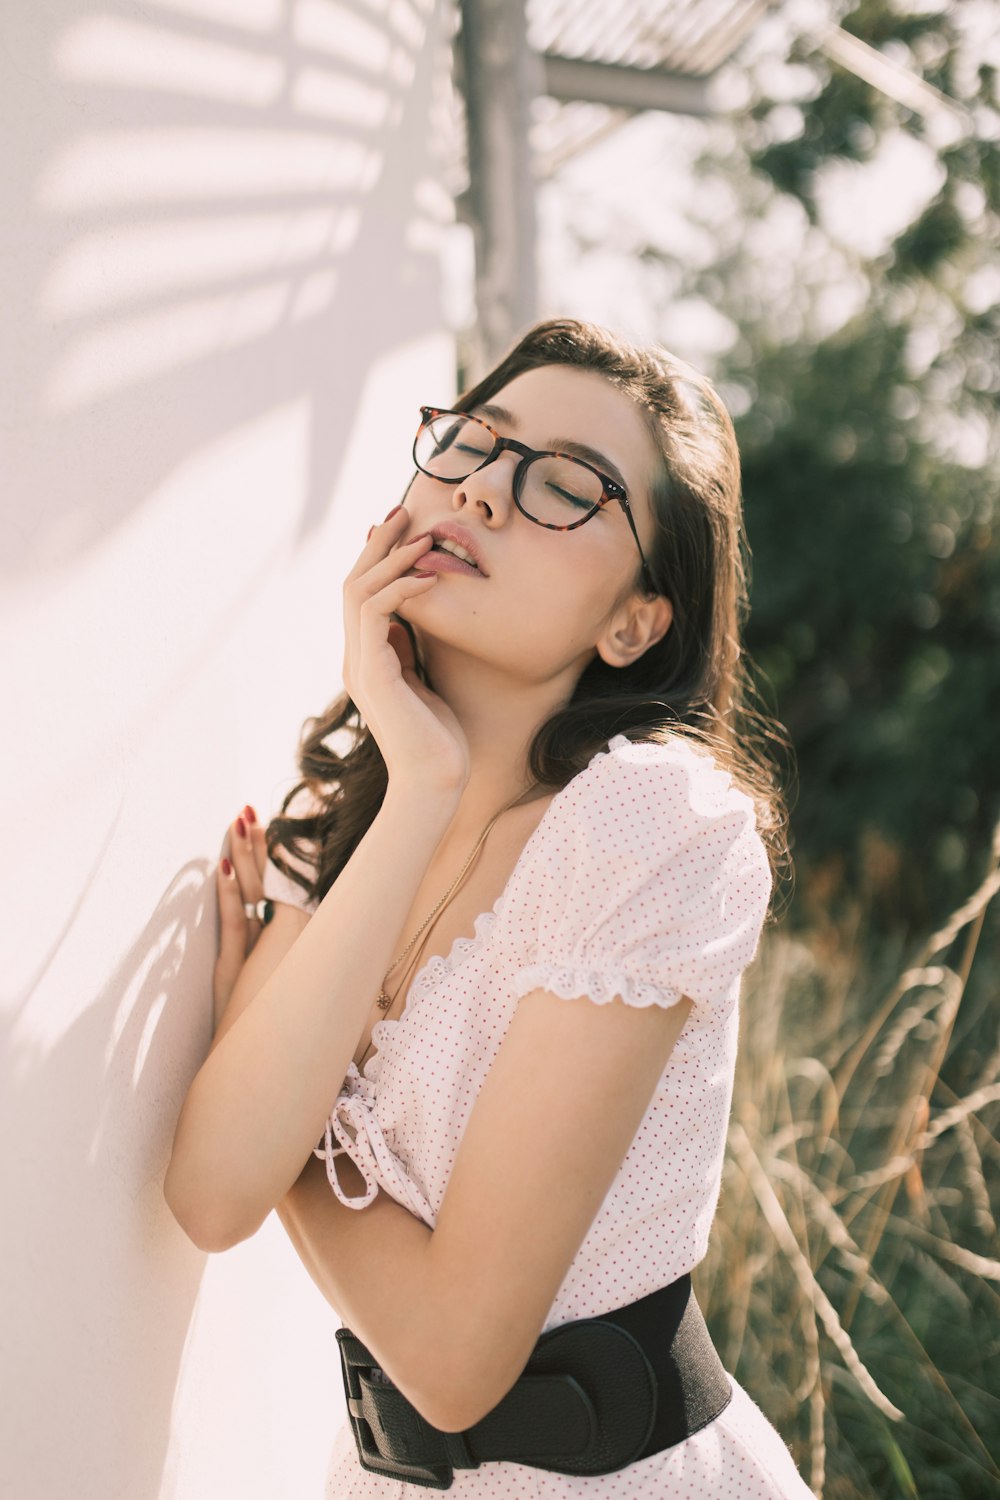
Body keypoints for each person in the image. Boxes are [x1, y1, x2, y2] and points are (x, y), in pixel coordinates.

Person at [165, 318, 814, 1496]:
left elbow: (457, 1360)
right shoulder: (343, 807)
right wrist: (418, 785)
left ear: (634, 622)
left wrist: (284, 1096)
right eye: (471, 444)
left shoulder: (652, 825)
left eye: (569, 487)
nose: (489, 494)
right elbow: (212, 1193)